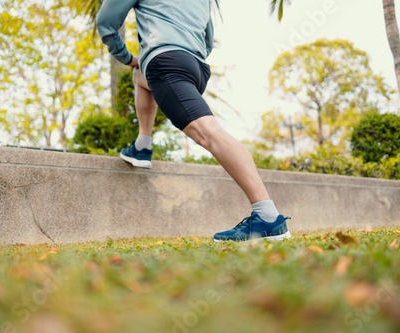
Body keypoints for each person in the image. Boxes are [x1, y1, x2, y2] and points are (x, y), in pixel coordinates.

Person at [96, 0, 291, 242]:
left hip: (167, 63)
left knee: (208, 133)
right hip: (196, 67)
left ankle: (268, 218)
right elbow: (208, 40)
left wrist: (125, 57)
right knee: (140, 74)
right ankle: (142, 146)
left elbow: (106, 21)